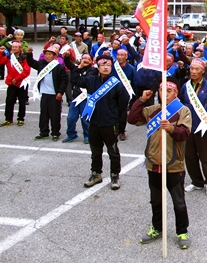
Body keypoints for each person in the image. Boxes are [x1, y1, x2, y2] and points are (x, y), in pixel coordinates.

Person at [127, 82, 193, 249]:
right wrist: (141, 100)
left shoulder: (182, 110)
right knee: (155, 200)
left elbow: (185, 134)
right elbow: (132, 119)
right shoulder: (152, 110)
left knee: (178, 202)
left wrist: (171, 128)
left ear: (176, 92)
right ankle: (157, 228)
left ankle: (182, 231)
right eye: (163, 91)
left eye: (169, 91)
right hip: (153, 163)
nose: (166, 94)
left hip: (173, 165)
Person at [72, 55, 130, 189]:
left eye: (108, 65)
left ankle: (115, 176)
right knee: (96, 151)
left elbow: (122, 105)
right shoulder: (91, 81)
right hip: (94, 123)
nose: (105, 67)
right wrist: (80, 66)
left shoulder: (117, 84)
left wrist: (120, 125)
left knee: (113, 151)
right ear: (97, 67)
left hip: (109, 123)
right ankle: (96, 174)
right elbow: (75, 80)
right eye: (102, 65)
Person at [179, 59, 207, 197]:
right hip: (188, 127)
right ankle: (196, 181)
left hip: (204, 127)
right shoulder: (185, 86)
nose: (194, 71)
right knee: (190, 156)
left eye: (197, 69)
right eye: (192, 69)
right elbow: (180, 103)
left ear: (203, 71)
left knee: (206, 156)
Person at [26, 46, 68, 141]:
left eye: (50, 54)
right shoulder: (42, 64)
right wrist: (29, 54)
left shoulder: (59, 67)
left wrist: (60, 92)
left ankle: (55, 133)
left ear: (54, 56)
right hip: (44, 93)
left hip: (55, 94)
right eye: (46, 54)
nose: (47, 56)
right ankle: (44, 132)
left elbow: (64, 81)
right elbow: (31, 63)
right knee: (44, 114)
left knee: (55, 114)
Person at [62, 53, 98, 144]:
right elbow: (69, 64)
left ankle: (87, 135)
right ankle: (71, 134)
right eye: (83, 58)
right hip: (76, 97)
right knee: (71, 118)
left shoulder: (93, 70)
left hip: (85, 97)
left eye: (87, 59)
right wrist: (67, 57)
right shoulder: (77, 68)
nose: (85, 60)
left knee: (85, 118)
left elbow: (85, 81)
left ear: (91, 61)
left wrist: (79, 69)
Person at [0, 42, 31, 127]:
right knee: (9, 101)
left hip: (21, 83)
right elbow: (1, 61)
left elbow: (26, 71)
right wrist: (1, 52)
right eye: (12, 47)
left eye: (15, 47)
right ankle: (8, 119)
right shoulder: (9, 57)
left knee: (22, 102)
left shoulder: (24, 57)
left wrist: (17, 79)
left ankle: (20, 118)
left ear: (20, 48)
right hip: (11, 83)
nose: (13, 49)